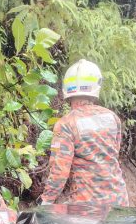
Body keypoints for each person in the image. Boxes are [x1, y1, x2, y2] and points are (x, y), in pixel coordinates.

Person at [39, 59, 129, 207]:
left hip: (86, 206)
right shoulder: (112, 117)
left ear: (67, 88)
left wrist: (46, 200)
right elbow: (114, 154)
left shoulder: (66, 124)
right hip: (119, 201)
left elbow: (59, 171)